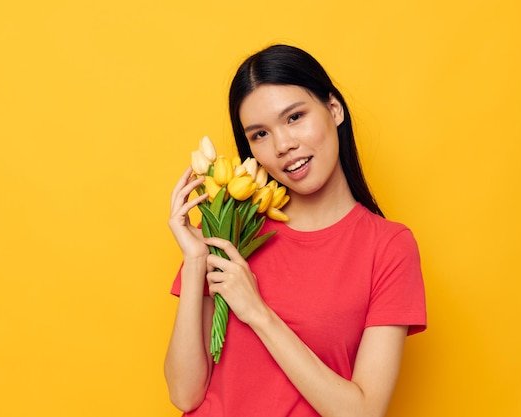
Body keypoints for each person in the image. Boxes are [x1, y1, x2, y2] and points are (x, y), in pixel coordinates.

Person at [165, 44, 426, 417]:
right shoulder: (232, 227)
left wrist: (257, 311)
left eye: (294, 117)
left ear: (333, 109)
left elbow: (363, 412)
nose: (284, 145)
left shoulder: (388, 247)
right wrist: (195, 262)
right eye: (259, 134)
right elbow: (184, 394)